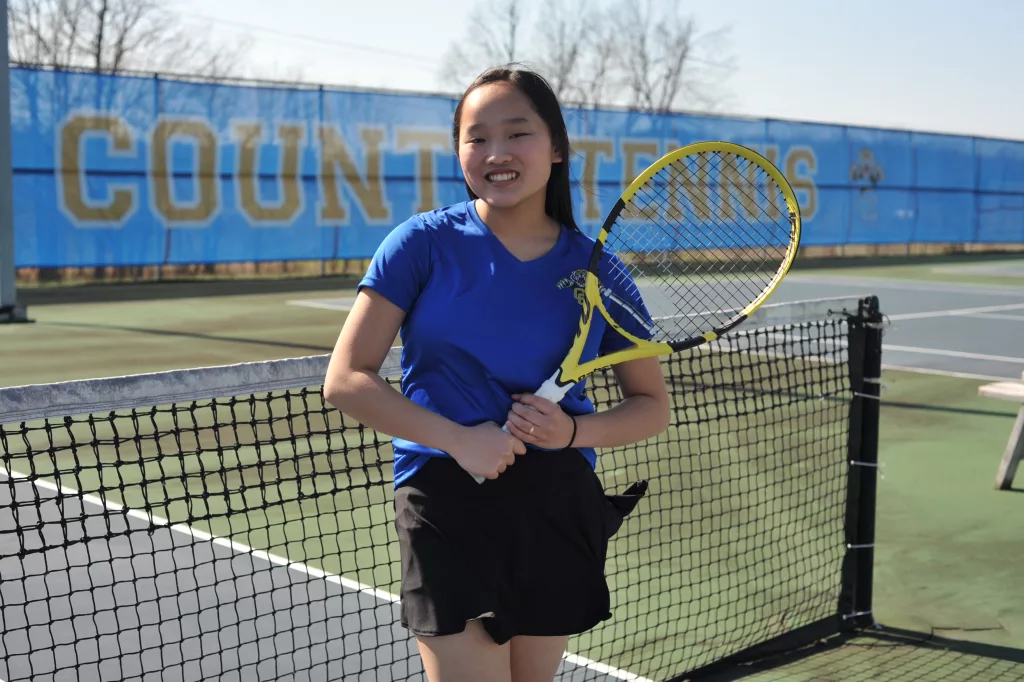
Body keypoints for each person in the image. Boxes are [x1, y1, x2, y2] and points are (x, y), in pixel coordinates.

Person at [323, 64, 671, 682]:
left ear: (556, 148)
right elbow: (346, 380)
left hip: (557, 502)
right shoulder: (420, 244)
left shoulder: (600, 271)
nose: (496, 153)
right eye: (477, 138)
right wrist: (459, 440)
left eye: (517, 133)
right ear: (459, 151)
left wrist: (571, 433)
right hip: (446, 500)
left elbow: (651, 406)